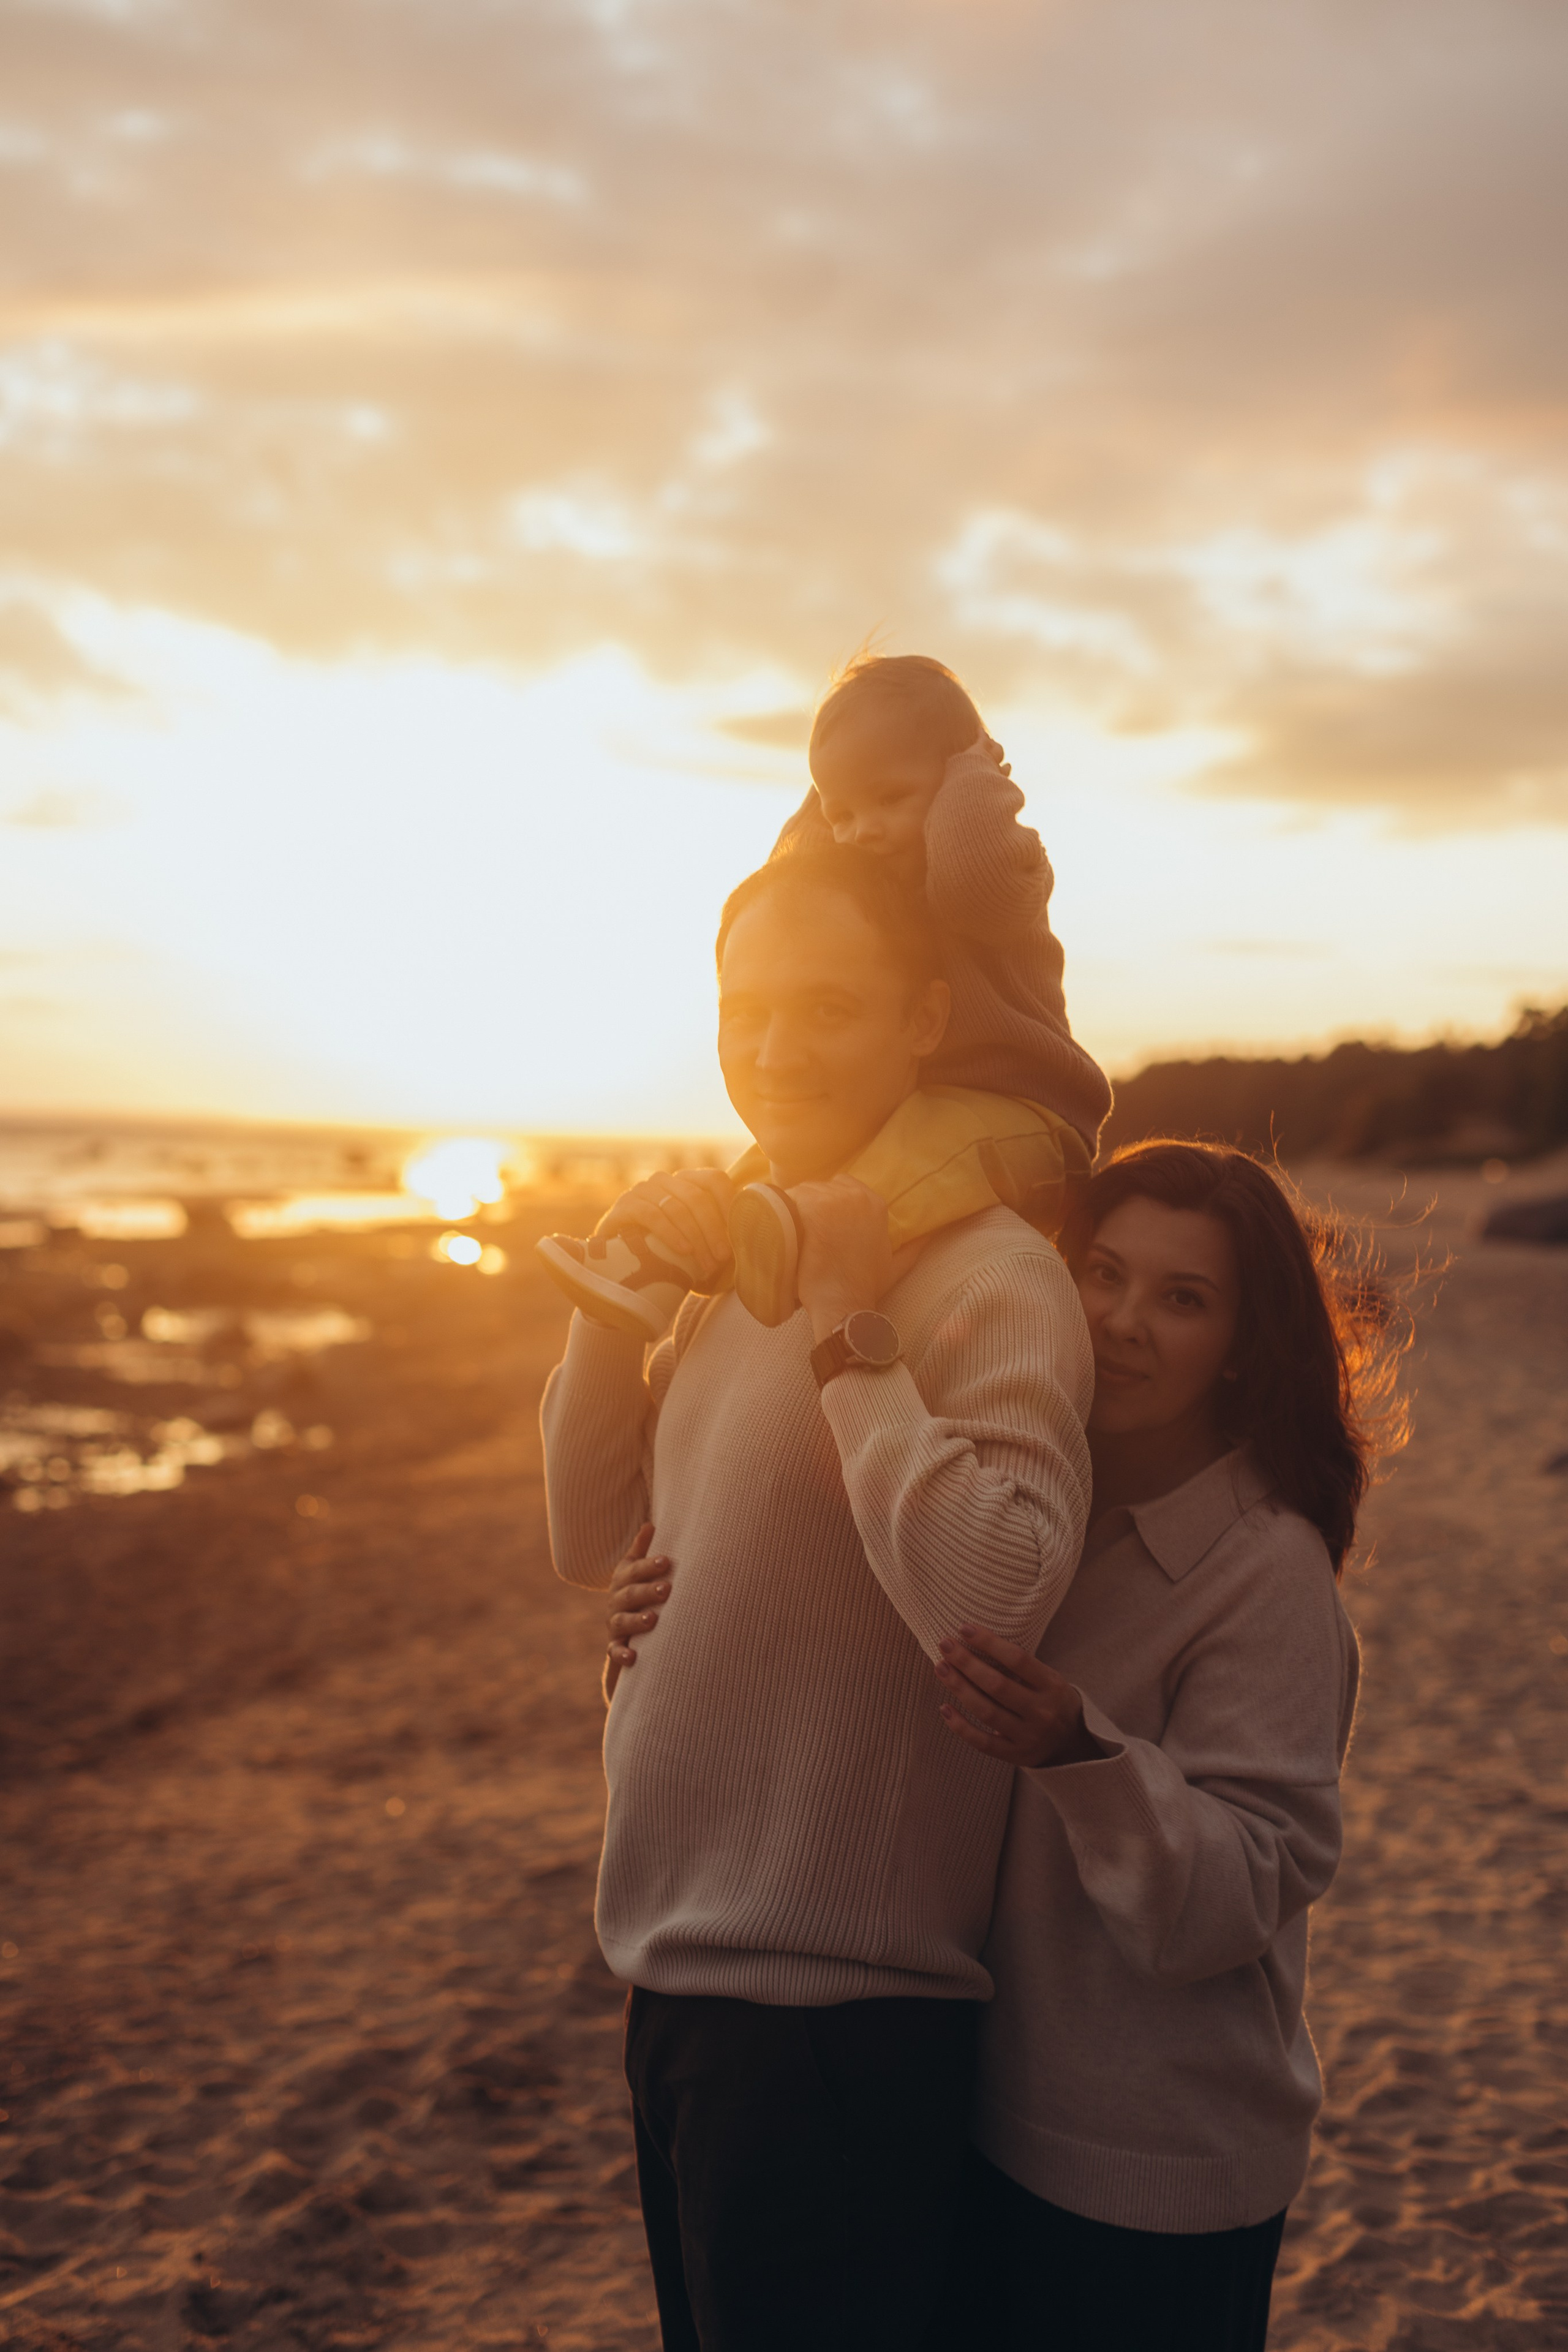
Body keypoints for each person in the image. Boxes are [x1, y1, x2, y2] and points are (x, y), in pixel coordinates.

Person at [610, 1141, 1404, 2352]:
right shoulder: (1025, 1510)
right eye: (1099, 1273)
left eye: (1181, 1299)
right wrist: (645, 1630)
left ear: (1241, 1343)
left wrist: (1077, 1751)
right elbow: (840, 1665)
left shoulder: (1262, 1567)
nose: (1123, 1323)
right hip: (982, 2111)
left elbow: (1253, 1878)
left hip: (1157, 2162)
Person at [540, 843, 1094, 2352]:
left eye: (825, 1004)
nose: (774, 1048)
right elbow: (590, 1533)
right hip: (674, 1983)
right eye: (746, 1007)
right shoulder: (740, 1247)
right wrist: (616, 1301)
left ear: (922, 1016)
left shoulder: (987, 1273)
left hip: (835, 2018)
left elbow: (999, 1588)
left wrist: (856, 1334)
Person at [536, 652, 1110, 1338]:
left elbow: (969, 865)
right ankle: (654, 1264)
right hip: (916, 1112)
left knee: (913, 1163)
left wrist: (973, 768)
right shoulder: (880, 883)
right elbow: (797, 883)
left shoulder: (995, 873)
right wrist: (834, 794)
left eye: (892, 799)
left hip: (1026, 1123)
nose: (862, 831)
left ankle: (810, 1245)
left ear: (957, 782)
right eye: (840, 811)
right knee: (761, 1170)